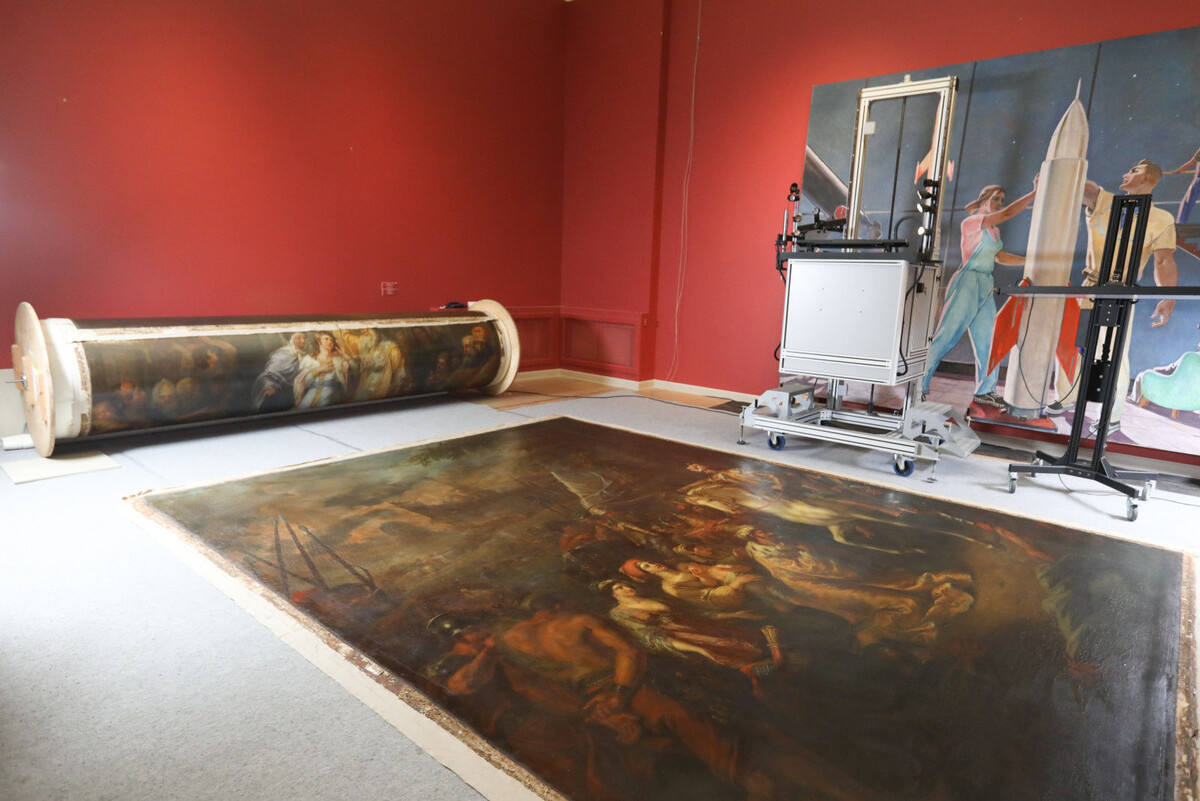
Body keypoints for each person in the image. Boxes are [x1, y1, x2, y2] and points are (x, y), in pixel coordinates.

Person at [1050, 160, 1180, 431]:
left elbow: (1163, 261)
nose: (1126, 173)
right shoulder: (1105, 201)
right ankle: (1067, 396)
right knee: (1072, 342)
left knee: (1113, 352)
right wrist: (1064, 168)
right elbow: (1084, 189)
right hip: (1090, 284)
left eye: (1133, 171)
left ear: (1148, 178)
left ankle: (1111, 417)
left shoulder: (1161, 219)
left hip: (1120, 291)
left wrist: (1168, 298)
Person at [921, 182, 1036, 407]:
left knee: (989, 341)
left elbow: (999, 257)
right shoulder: (972, 222)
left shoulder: (994, 231)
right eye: (995, 199)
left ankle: (985, 391)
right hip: (967, 282)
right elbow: (1008, 213)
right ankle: (918, 385)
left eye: (1001, 200)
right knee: (946, 337)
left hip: (985, 284)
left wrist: (1030, 261)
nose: (999, 203)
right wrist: (1034, 192)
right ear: (983, 200)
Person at [252, 332, 307, 412]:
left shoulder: (303, 355)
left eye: (304, 338)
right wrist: (270, 385)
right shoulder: (282, 354)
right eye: (299, 338)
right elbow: (269, 374)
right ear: (291, 340)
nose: (303, 341)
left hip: (295, 394)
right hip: (279, 393)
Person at [295, 331, 349, 408]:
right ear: (319, 342)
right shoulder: (309, 360)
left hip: (331, 398)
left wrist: (344, 354)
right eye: (326, 339)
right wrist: (319, 370)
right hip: (310, 398)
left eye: (331, 340)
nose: (330, 342)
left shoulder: (338, 361)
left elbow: (354, 369)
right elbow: (304, 382)